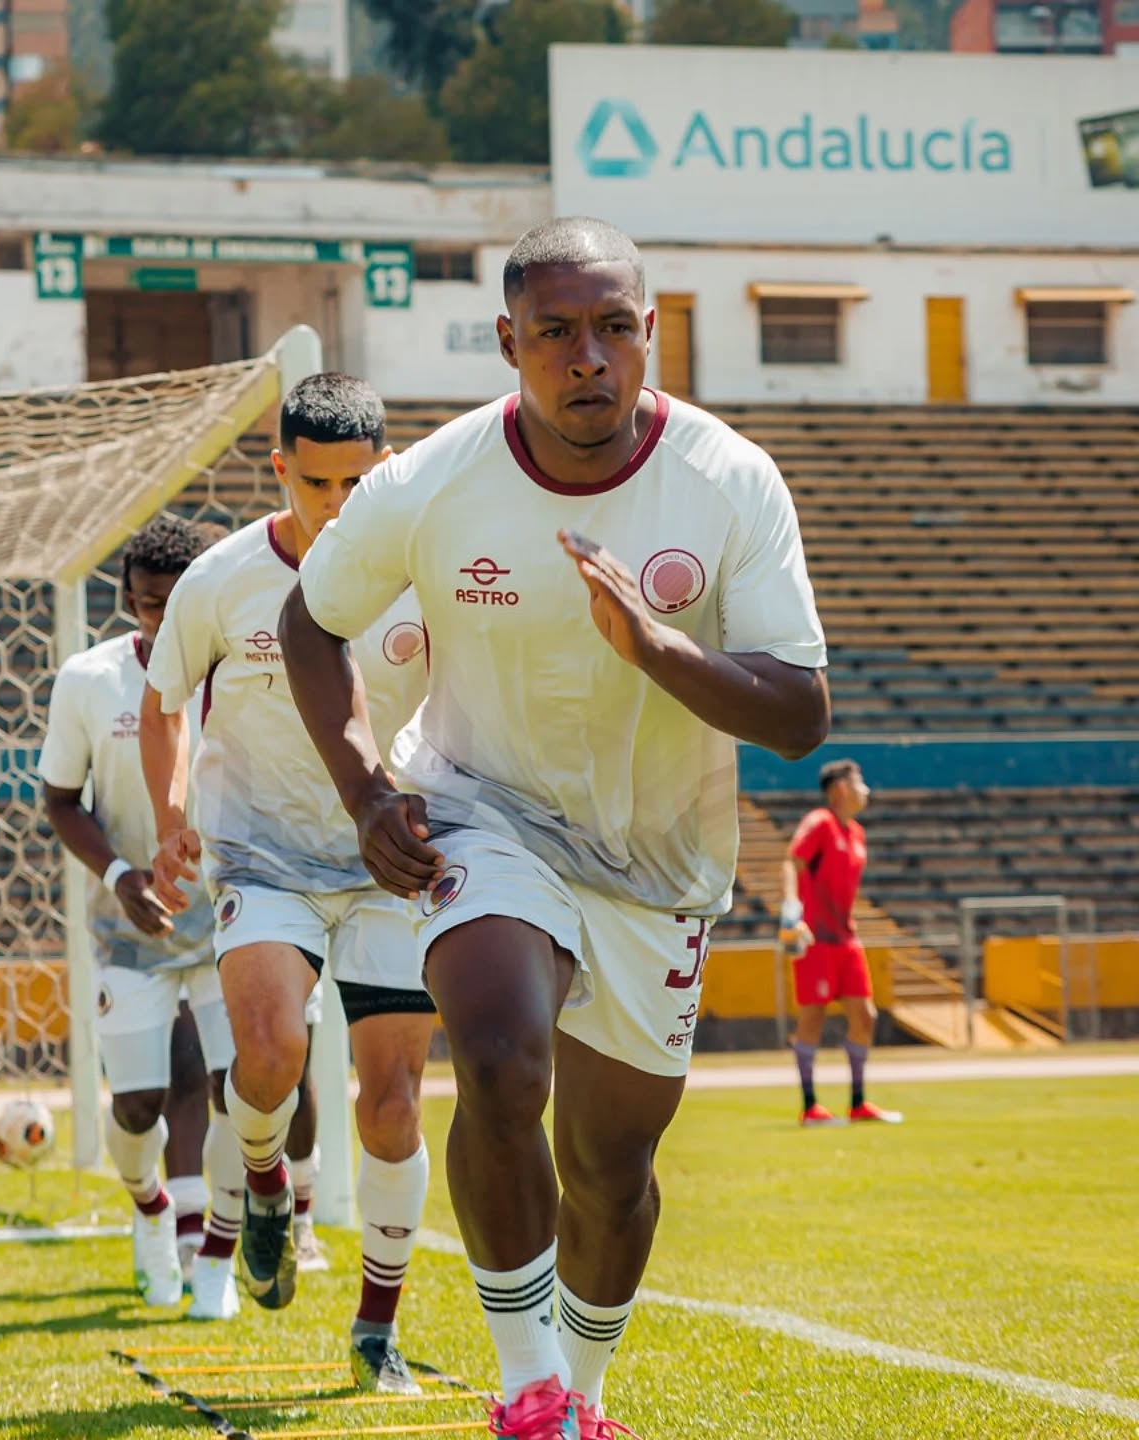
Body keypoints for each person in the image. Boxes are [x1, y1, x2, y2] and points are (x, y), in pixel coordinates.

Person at [278, 218, 830, 1438]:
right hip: (485, 808)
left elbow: (799, 713)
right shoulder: (430, 482)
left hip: (662, 864)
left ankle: (582, 1395)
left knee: (613, 1173)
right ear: (509, 344)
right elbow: (311, 623)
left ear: (650, 331)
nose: (591, 357)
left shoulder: (730, 480)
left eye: (615, 328)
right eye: (558, 334)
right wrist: (370, 790)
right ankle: (526, 1388)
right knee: (495, 1053)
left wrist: (661, 649)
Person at [142, 374, 435, 1395]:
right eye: (318, 483)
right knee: (267, 1058)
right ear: (282, 471)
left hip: (390, 863)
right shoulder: (221, 578)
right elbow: (165, 700)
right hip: (263, 857)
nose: (340, 506)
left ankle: (376, 1325)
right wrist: (174, 816)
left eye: (360, 483)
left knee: (393, 1105)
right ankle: (264, 1179)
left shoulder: (423, 571)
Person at [40, 514, 245, 1316]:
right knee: (137, 1106)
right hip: (129, 930)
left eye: (176, 604)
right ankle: (154, 1211)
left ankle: (219, 1254)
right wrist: (122, 874)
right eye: (147, 605)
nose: (161, 622)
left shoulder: (242, 669)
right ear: (127, 597)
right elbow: (59, 799)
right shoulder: (89, 679)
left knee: (247, 1091)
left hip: (233, 921)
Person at [779, 759, 901, 1127]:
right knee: (813, 1016)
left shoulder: (857, 833)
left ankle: (859, 1102)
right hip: (815, 937)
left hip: (846, 938)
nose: (865, 788)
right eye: (858, 781)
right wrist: (790, 910)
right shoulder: (819, 823)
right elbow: (791, 862)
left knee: (865, 1016)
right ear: (840, 789)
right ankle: (810, 1105)